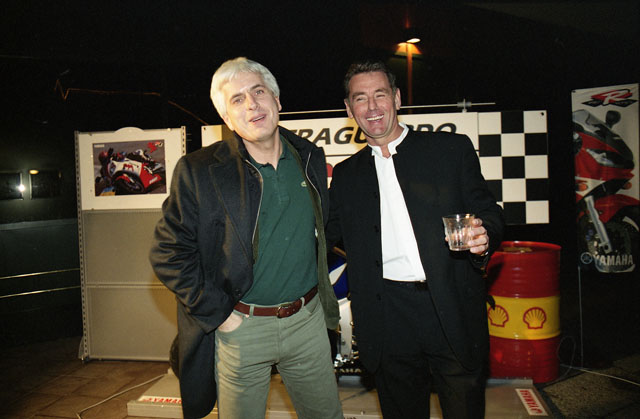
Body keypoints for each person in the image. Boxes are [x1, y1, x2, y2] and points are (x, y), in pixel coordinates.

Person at [149, 57, 343, 419]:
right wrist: (220, 315)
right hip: (242, 330)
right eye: (237, 99)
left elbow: (322, 230)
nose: (252, 104)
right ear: (226, 118)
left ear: (277, 100)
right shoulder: (200, 171)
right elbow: (167, 253)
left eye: (259, 92)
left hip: (307, 323)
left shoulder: (309, 157)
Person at [326, 61, 505, 418]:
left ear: (396, 98)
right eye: (360, 98)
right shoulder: (346, 176)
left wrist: (484, 233)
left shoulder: (450, 150)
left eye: (380, 95)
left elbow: (489, 211)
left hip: (451, 307)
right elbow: (317, 237)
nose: (372, 107)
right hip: (387, 316)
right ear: (349, 109)